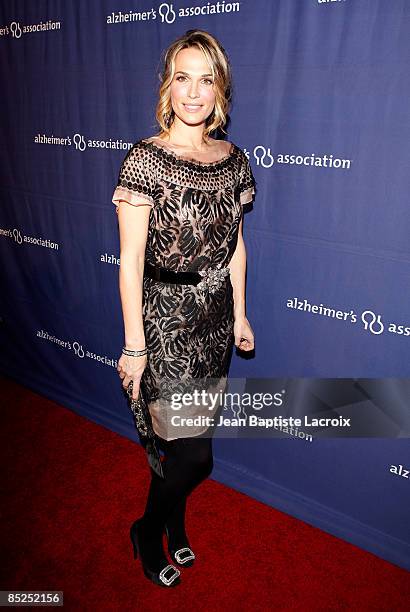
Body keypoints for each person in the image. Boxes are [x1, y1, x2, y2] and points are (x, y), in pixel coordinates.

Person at [112, 29, 256, 588]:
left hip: (215, 319)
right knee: (194, 455)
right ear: (167, 86)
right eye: (182, 78)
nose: (192, 92)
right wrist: (134, 346)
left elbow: (236, 246)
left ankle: (174, 518)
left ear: (219, 89)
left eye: (205, 79)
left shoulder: (232, 159)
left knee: (189, 442)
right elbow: (129, 262)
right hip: (163, 320)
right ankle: (149, 529)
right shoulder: (146, 162)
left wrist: (240, 313)